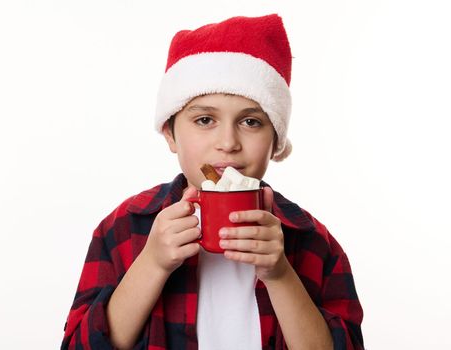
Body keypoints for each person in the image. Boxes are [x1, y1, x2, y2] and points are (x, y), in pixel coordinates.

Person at [61, 14, 364, 350]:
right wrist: (152, 263)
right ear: (170, 134)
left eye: (251, 122)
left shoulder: (312, 242)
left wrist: (279, 274)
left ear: (275, 139)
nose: (228, 142)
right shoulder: (124, 227)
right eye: (205, 119)